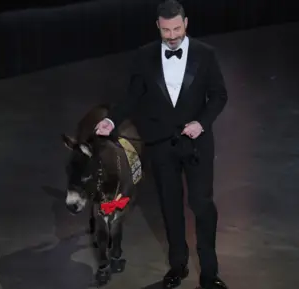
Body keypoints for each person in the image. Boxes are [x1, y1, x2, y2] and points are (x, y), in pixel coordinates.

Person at [95, 1, 228, 288]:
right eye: (166, 30)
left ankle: (209, 273)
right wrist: (111, 121)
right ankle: (177, 266)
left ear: (186, 23)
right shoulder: (144, 56)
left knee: (201, 204)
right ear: (158, 26)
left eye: (177, 29)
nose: (172, 36)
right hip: (160, 144)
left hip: (196, 145)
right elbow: (131, 96)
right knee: (169, 207)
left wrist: (201, 123)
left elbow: (219, 95)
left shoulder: (205, 54)